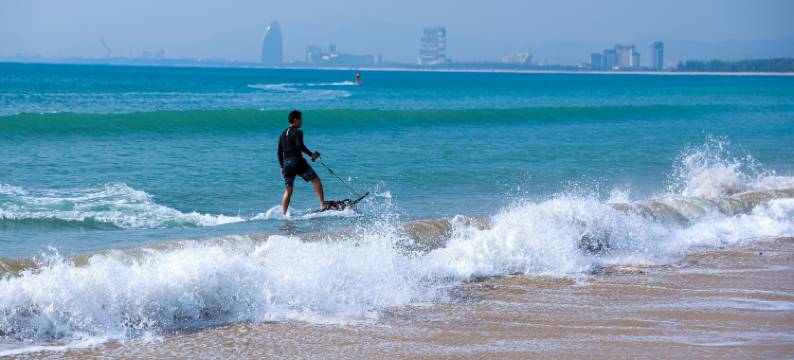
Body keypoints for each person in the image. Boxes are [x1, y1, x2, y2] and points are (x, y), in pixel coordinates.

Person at [278, 110, 325, 214]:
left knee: (288, 190)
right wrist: (311, 154)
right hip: (297, 162)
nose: (302, 121)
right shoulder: (298, 132)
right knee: (316, 180)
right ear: (295, 120)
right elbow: (300, 146)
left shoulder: (282, 135)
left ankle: (284, 214)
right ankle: (322, 205)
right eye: (300, 119)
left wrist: (282, 167)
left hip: (286, 165)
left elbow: (279, 152)